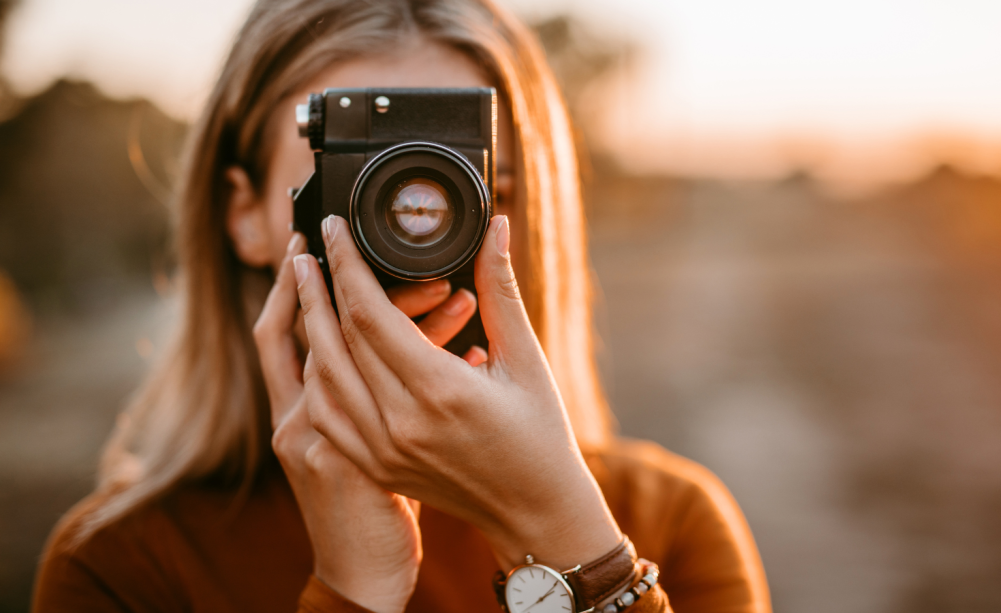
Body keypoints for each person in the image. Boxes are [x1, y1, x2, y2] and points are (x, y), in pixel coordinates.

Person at [33, 1, 771, 611]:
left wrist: (569, 540)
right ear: (246, 213)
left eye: (476, 196)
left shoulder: (665, 522)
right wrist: (353, 588)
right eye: (363, 198)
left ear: (532, 213)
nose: (418, 247)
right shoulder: (124, 566)